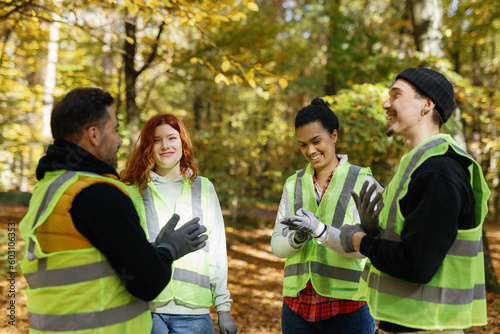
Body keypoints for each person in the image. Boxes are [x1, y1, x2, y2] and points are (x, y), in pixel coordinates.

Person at [19, 88, 208, 334]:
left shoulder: (48, 189)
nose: (119, 140)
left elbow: (92, 261)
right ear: (94, 135)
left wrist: (151, 251)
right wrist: (169, 250)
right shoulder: (99, 194)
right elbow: (148, 283)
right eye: (115, 130)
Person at [340, 67, 490, 333]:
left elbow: (416, 264)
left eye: (396, 95)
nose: (386, 104)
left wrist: (359, 241)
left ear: (427, 105)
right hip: (407, 323)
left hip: (428, 326)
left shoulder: (437, 172)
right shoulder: (417, 166)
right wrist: (375, 232)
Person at [270, 98, 384, 334]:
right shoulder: (293, 184)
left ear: (334, 136)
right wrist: (296, 239)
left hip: (349, 309)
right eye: (302, 145)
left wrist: (318, 230)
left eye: (316, 141)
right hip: (297, 309)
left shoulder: (363, 180)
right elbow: (277, 245)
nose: (310, 151)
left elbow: (369, 247)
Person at [121, 113, 238, 334]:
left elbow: (216, 253)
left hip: (194, 313)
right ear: (148, 146)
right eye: (156, 140)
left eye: (172, 138)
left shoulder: (204, 188)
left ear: (182, 143)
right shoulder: (130, 190)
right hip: (146, 310)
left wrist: (223, 309)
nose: (165, 145)